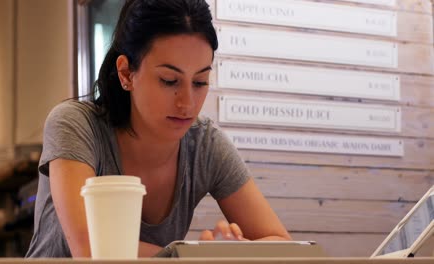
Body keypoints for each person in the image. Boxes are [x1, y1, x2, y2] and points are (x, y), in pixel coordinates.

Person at [26, 0, 291, 258]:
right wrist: (196, 257)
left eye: (200, 82)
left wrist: (239, 251)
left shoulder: (205, 144)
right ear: (126, 73)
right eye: (169, 80)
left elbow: (283, 246)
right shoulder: (75, 125)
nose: (187, 103)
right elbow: (93, 250)